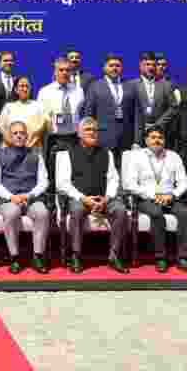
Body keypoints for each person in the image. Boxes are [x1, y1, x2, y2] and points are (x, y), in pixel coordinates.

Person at [53, 117, 129, 274]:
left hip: (103, 198)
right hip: (79, 199)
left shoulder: (106, 153)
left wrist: (107, 197)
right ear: (79, 134)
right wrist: (83, 198)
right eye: (88, 130)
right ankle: (76, 255)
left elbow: (113, 179)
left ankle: (114, 255)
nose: (92, 133)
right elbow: (62, 183)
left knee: (120, 210)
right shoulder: (68, 154)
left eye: (95, 130)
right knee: (76, 211)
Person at [122, 127, 187, 273]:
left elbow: (183, 182)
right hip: (146, 198)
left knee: (185, 213)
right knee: (156, 214)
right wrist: (153, 195)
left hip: (170, 197)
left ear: (164, 140)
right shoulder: (136, 156)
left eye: (160, 137)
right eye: (153, 137)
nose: (157, 140)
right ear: (146, 140)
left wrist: (172, 195)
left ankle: (182, 257)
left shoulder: (173, 156)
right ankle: (160, 257)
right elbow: (129, 183)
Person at [0, 121, 51, 274]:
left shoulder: (36, 155)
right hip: (9, 199)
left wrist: (29, 195)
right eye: (15, 133)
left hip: (31, 197)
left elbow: (44, 181)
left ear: (26, 136)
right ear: (9, 136)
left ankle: (38, 256)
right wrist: (11, 197)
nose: (18, 135)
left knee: (43, 213)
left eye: (22, 133)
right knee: (11, 213)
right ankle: (14, 257)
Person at [0, 76, 48, 150]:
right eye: (22, 86)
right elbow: (2, 128)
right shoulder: (8, 107)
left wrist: (30, 143)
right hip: (11, 149)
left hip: (33, 149)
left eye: (27, 86)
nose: (25, 89)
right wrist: (12, 143)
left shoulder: (38, 106)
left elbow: (43, 125)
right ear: (16, 90)